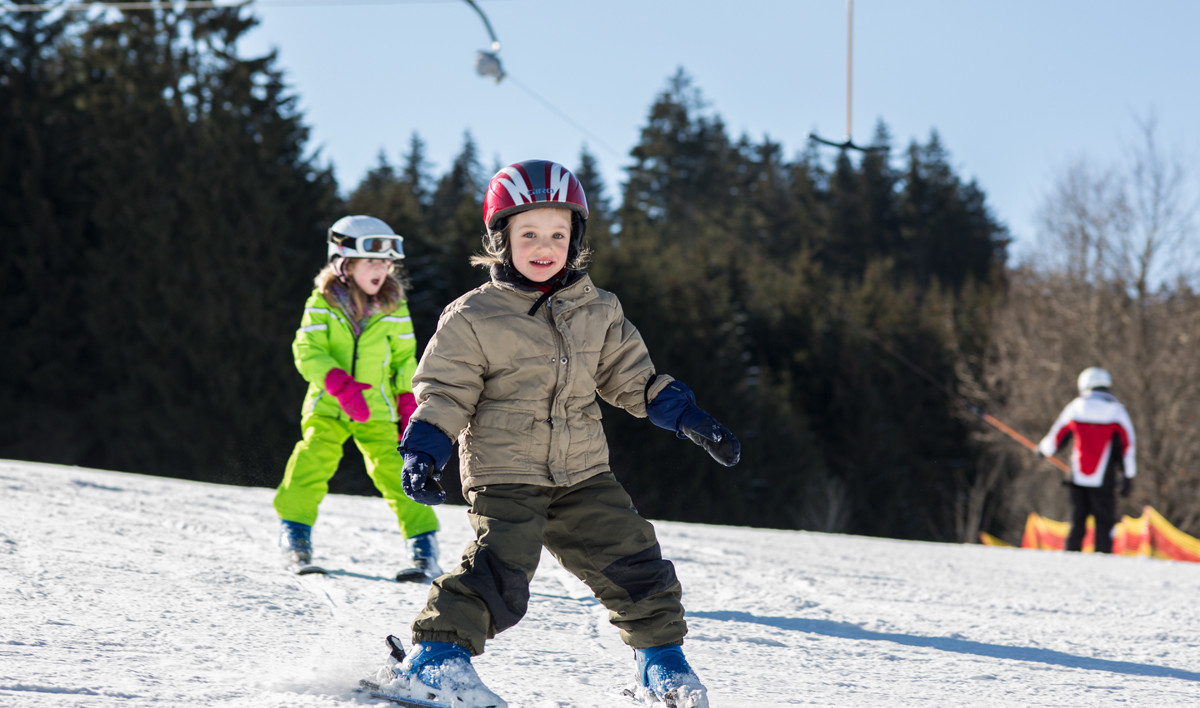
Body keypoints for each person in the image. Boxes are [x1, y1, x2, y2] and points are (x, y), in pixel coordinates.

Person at [364, 160, 739, 708]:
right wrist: (424, 448)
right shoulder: (473, 316)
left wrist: (687, 417)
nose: (545, 246)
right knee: (501, 569)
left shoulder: (600, 310)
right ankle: (436, 660)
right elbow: (445, 392)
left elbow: (632, 378)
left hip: (584, 471)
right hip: (506, 473)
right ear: (502, 239)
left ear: (576, 238)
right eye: (529, 233)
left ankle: (660, 664)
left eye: (558, 234)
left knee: (635, 558)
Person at [274, 215, 441, 581]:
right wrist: (339, 384)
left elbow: (403, 357)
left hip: (377, 409)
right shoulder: (322, 301)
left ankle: (424, 546)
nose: (381, 269)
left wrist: (406, 402)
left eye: (385, 262)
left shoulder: (394, 305)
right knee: (311, 461)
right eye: (371, 261)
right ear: (345, 262)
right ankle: (295, 537)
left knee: (397, 473)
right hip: (330, 405)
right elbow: (307, 348)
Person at [1037, 366, 1136, 554]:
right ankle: (1103, 557)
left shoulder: (1075, 407)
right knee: (1104, 521)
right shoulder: (1118, 411)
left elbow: (1055, 438)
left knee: (1077, 519)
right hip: (1104, 479)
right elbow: (1128, 447)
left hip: (1077, 476)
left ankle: (1072, 556)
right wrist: (1128, 476)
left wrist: (1041, 450)